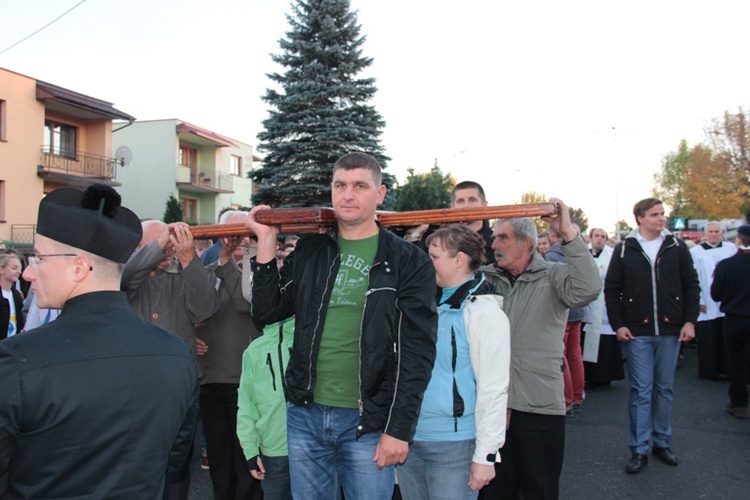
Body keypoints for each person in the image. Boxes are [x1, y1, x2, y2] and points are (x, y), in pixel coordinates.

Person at [245, 152, 438, 499]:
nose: (348, 195)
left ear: (380, 194)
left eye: (360, 186)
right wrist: (265, 241)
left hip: (368, 419)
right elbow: (267, 313)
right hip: (305, 413)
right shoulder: (309, 251)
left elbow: (418, 353)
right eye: (340, 185)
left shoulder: (408, 260)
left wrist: (399, 429)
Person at [0, 184, 198, 498]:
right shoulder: (176, 354)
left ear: (79, 267)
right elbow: (174, 464)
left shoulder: (17, 359)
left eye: (38, 259)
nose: (28, 273)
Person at [479, 198, 600, 499]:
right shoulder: (483, 279)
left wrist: (568, 233)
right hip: (493, 405)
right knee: (494, 490)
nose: (494, 243)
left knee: (541, 488)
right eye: (494, 236)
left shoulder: (554, 276)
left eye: (502, 237)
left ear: (526, 242)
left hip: (539, 404)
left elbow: (588, 288)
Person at [398, 224, 510, 500]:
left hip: (454, 444)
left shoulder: (484, 313)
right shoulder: (423, 303)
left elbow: (494, 388)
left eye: (434, 257)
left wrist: (486, 455)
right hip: (409, 438)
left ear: (459, 260)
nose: (428, 262)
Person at [122, 219, 220, 499]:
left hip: (178, 386)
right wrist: (159, 245)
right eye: (158, 243)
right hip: (135, 386)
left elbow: (205, 308)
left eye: (169, 244)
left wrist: (190, 262)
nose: (166, 250)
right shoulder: (125, 277)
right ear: (139, 248)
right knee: (137, 463)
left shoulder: (182, 275)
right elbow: (126, 277)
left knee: (177, 465)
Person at [604, 197, 700, 474]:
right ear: (640, 218)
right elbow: (612, 289)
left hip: (671, 329)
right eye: (655, 214)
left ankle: (662, 443)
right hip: (637, 331)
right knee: (641, 391)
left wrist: (690, 321)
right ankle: (638, 449)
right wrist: (618, 324)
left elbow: (691, 285)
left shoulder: (677, 246)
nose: (662, 218)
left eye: (663, 213)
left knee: (664, 389)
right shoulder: (624, 249)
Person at [196, 210, 263, 500]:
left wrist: (232, 258)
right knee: (219, 456)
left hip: (241, 380)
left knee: (245, 455)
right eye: (228, 232)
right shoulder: (206, 271)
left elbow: (243, 302)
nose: (234, 238)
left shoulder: (257, 267)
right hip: (209, 379)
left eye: (240, 231)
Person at [237, 317, 296, 500]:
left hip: (311, 448)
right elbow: (246, 405)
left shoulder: (306, 341)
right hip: (273, 451)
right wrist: (251, 451)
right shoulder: (254, 350)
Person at [710, 224, 750, 419]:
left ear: (739, 241)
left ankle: (739, 403)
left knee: (736, 361)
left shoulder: (726, 265)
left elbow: (715, 295)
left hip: (735, 319)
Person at [545, 225, 586, 415]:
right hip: (577, 310)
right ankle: (577, 395)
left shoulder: (552, 257)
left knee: (561, 356)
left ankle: (567, 399)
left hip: (562, 311)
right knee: (574, 354)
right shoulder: (578, 253)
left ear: (553, 235)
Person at [404, 181, 496, 265]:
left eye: (472, 200)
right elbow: (414, 268)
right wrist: (413, 234)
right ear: (452, 207)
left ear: (484, 205)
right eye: (460, 201)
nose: (466, 206)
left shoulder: (496, 242)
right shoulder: (434, 238)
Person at [690, 221, 736, 379]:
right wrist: (699, 299)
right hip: (707, 300)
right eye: (711, 231)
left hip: (728, 298)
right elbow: (693, 277)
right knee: (709, 335)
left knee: (727, 335)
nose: (714, 234)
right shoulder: (696, 252)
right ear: (705, 233)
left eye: (717, 231)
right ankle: (710, 371)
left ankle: (729, 369)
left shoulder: (730, 249)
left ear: (722, 233)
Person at [581, 228, 624, 387]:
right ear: (590, 238)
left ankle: (605, 376)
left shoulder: (612, 255)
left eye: (603, 237)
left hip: (604, 303)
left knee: (605, 340)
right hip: (587, 303)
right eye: (597, 236)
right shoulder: (582, 254)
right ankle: (588, 375)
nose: (599, 239)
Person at [0, 252, 24, 338]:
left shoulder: (17, 296)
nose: (19, 272)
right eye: (14, 268)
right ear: (1, 270)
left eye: (20, 268)